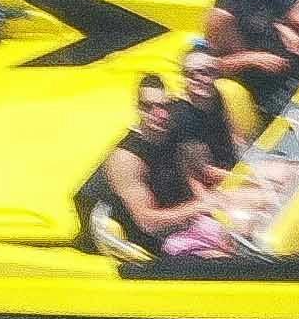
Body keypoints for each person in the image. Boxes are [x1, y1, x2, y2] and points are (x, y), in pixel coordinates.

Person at [101, 76, 238, 254]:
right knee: (229, 262)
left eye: (165, 106)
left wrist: (245, 180)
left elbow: (196, 174)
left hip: (196, 220)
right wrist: (199, 207)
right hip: (165, 243)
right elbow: (147, 222)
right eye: (149, 107)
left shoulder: (171, 135)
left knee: (260, 209)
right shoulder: (126, 160)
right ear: (138, 109)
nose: (159, 114)